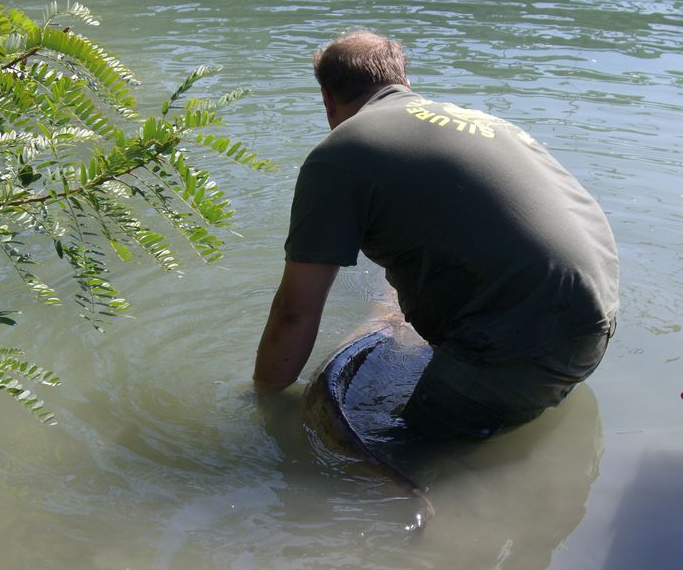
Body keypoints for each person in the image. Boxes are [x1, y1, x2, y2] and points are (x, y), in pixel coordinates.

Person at [253, 30, 619, 439]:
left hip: (524, 341)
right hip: (598, 316)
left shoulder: (340, 153)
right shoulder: (486, 123)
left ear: (327, 101)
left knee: (397, 465)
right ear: (405, 84)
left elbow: (294, 312)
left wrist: (264, 402)